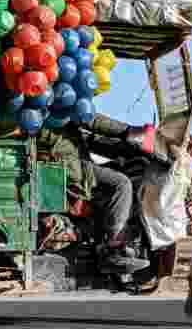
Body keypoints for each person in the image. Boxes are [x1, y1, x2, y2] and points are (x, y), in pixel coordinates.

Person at [38, 113, 156, 272]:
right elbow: (89, 119)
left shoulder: (52, 109)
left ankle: (104, 244)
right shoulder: (55, 104)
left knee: (118, 169)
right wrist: (129, 131)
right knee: (121, 184)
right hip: (68, 167)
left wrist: (126, 143)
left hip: (68, 162)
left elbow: (89, 138)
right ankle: (114, 248)